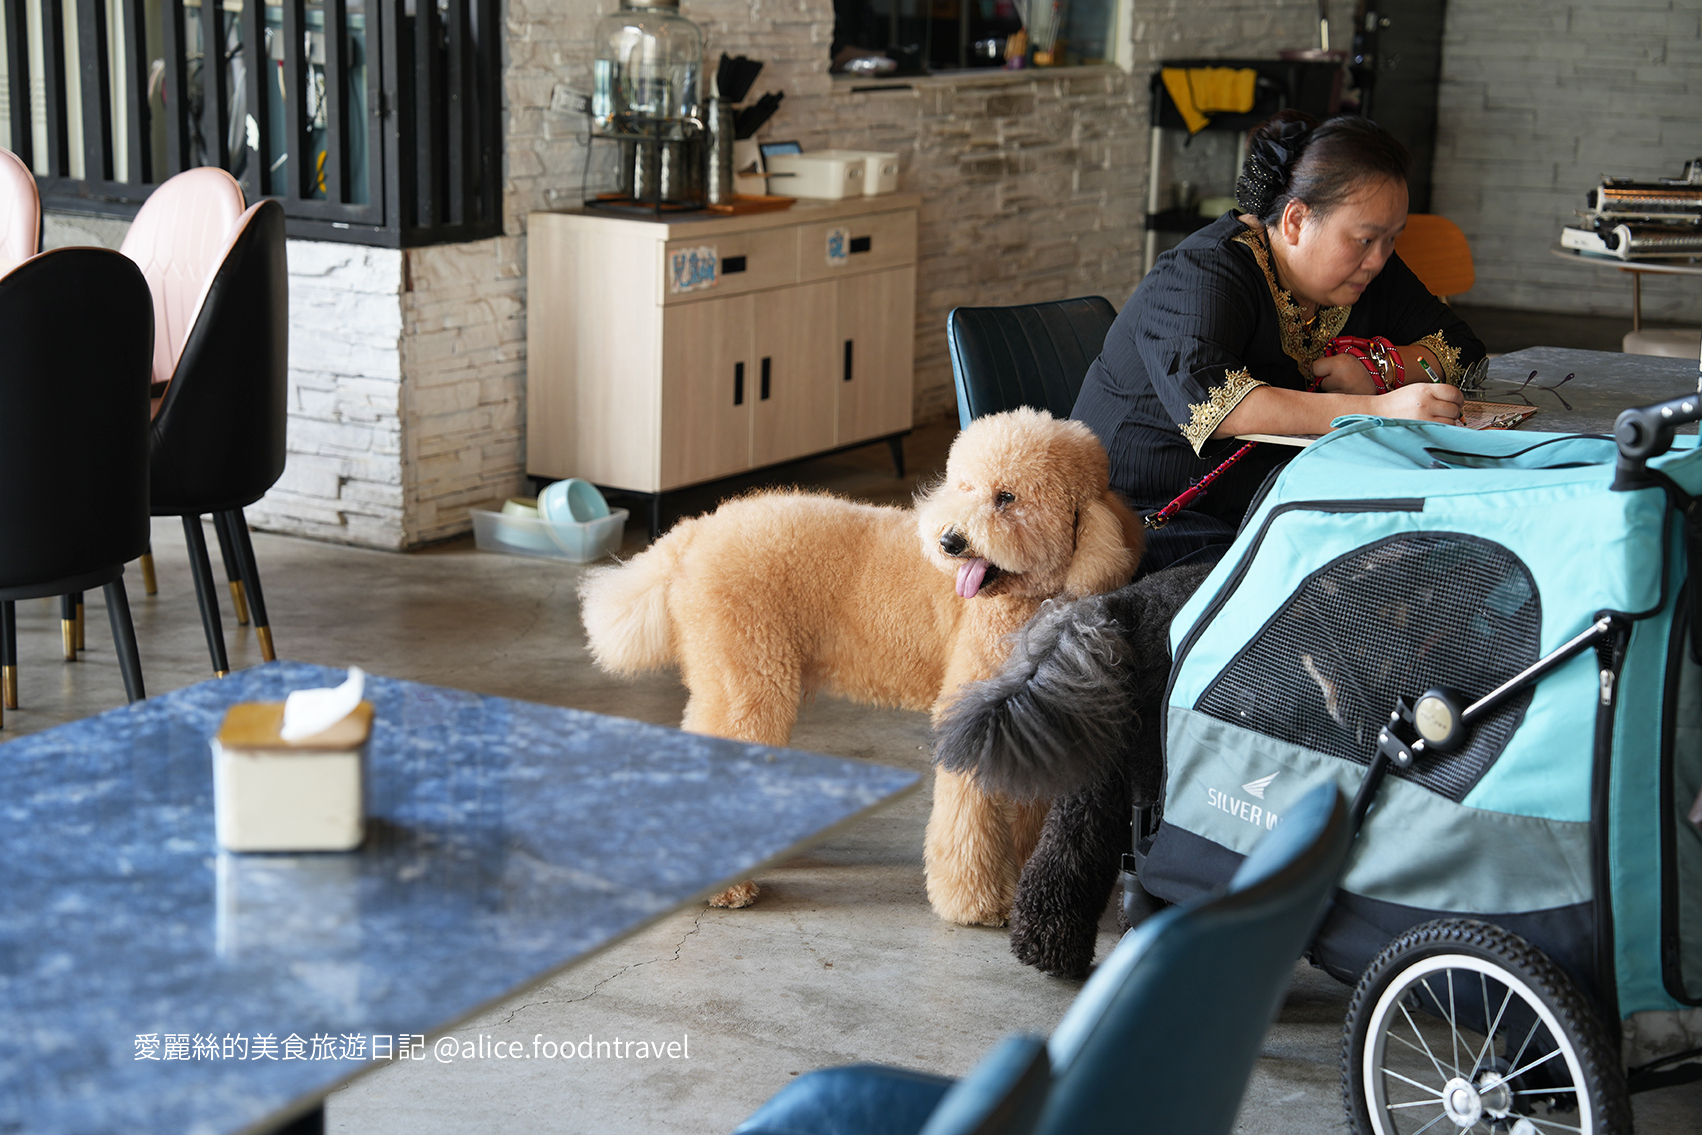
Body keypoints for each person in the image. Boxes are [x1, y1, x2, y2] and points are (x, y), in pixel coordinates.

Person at [1071, 110, 1486, 573]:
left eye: (1391, 240)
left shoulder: (1367, 273)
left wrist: (1380, 366)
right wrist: (1381, 411)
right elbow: (1220, 405)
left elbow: (1461, 347)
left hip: (1263, 506)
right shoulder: (1202, 272)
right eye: (1366, 239)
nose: (1379, 259)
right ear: (1294, 221)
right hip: (1144, 519)